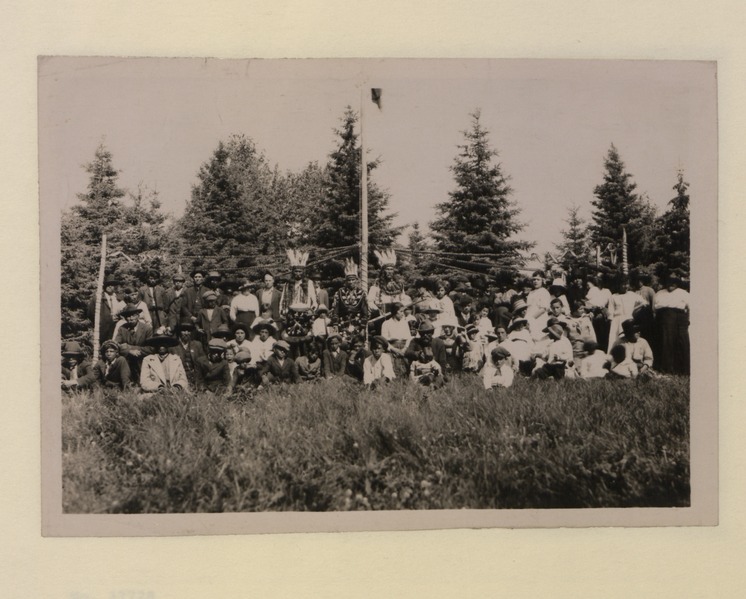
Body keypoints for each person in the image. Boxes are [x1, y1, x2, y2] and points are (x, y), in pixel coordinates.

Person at [653, 274, 690, 375]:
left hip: (679, 320)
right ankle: (665, 369)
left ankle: (681, 370)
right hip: (662, 321)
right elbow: (654, 310)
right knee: (664, 343)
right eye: (668, 282)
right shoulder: (659, 293)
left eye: (673, 282)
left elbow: (690, 308)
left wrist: (687, 321)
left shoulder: (683, 293)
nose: (671, 284)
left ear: (677, 283)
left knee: (680, 343)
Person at [367, 249, 408, 333]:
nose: (390, 272)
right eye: (387, 269)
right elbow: (369, 301)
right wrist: (377, 309)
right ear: (383, 271)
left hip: (397, 315)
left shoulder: (399, 285)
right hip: (382, 315)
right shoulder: (376, 285)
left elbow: (404, 299)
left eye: (391, 269)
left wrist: (402, 307)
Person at [113, 303, 153, 383]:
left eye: (133, 315)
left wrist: (130, 348)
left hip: (142, 358)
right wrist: (129, 351)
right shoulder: (122, 328)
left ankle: (143, 382)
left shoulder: (147, 329)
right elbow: (115, 345)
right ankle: (126, 384)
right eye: (127, 316)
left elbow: (151, 348)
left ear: (138, 316)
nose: (130, 318)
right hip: (128, 359)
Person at [331, 258, 369, 341]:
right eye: (349, 280)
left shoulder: (361, 293)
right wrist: (335, 324)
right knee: (343, 344)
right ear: (346, 281)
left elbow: (365, 312)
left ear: (356, 280)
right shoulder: (340, 292)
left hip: (357, 323)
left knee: (357, 344)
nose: (351, 282)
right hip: (342, 323)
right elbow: (335, 310)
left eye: (353, 280)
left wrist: (363, 327)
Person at [606, 277, 645, 352]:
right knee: (614, 340)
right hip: (616, 321)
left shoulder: (632, 295)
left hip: (629, 321)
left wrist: (634, 309)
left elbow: (644, 303)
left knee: (628, 340)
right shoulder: (614, 296)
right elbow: (610, 312)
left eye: (627, 284)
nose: (626, 286)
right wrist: (612, 323)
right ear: (619, 285)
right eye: (623, 284)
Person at [87, 275, 125, 345]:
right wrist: (100, 321)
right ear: (104, 286)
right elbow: (90, 313)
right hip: (103, 328)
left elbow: (124, 311)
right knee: (102, 346)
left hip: (115, 327)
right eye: (108, 285)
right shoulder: (98, 298)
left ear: (115, 287)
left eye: (112, 285)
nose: (110, 287)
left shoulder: (118, 298)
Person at [170, 320, 206, 389]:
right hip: (179, 377)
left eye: (189, 331)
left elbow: (203, 363)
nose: (186, 333)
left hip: (195, 376)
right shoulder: (173, 346)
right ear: (179, 332)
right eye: (183, 330)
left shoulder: (197, 345)